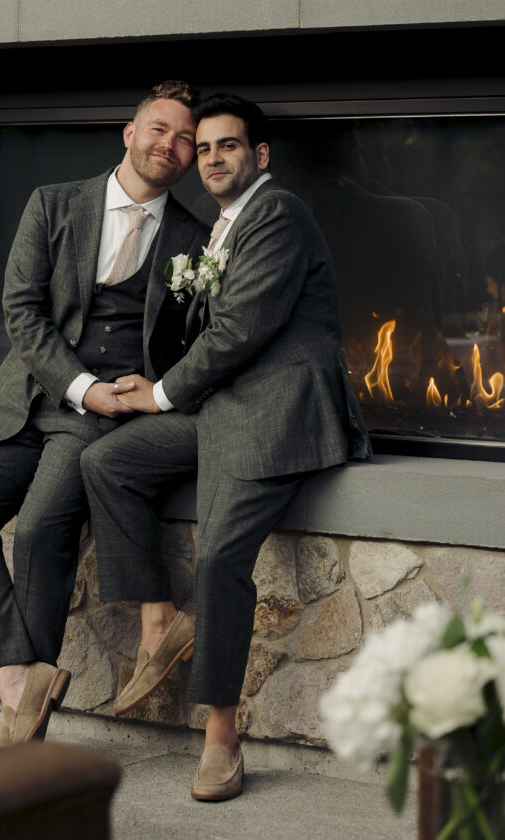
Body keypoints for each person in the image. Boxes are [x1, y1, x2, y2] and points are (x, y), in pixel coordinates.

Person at [81, 93, 370, 801]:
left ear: (259, 155)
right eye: (202, 148)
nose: (211, 158)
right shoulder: (222, 225)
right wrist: (153, 381)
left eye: (227, 146)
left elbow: (240, 330)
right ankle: (159, 619)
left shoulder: (276, 214)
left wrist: (158, 394)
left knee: (217, 559)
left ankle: (221, 740)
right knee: (107, 461)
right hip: (219, 406)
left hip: (276, 410)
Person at [0, 81, 207, 747]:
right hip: (27, 398)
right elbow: (21, 309)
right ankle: (21, 675)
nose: (170, 144)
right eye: (159, 129)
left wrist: (145, 390)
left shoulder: (195, 243)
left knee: (40, 532)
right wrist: (80, 383)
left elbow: (191, 342)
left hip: (102, 416)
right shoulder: (53, 205)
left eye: (185, 139)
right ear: (129, 133)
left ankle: (25, 727)